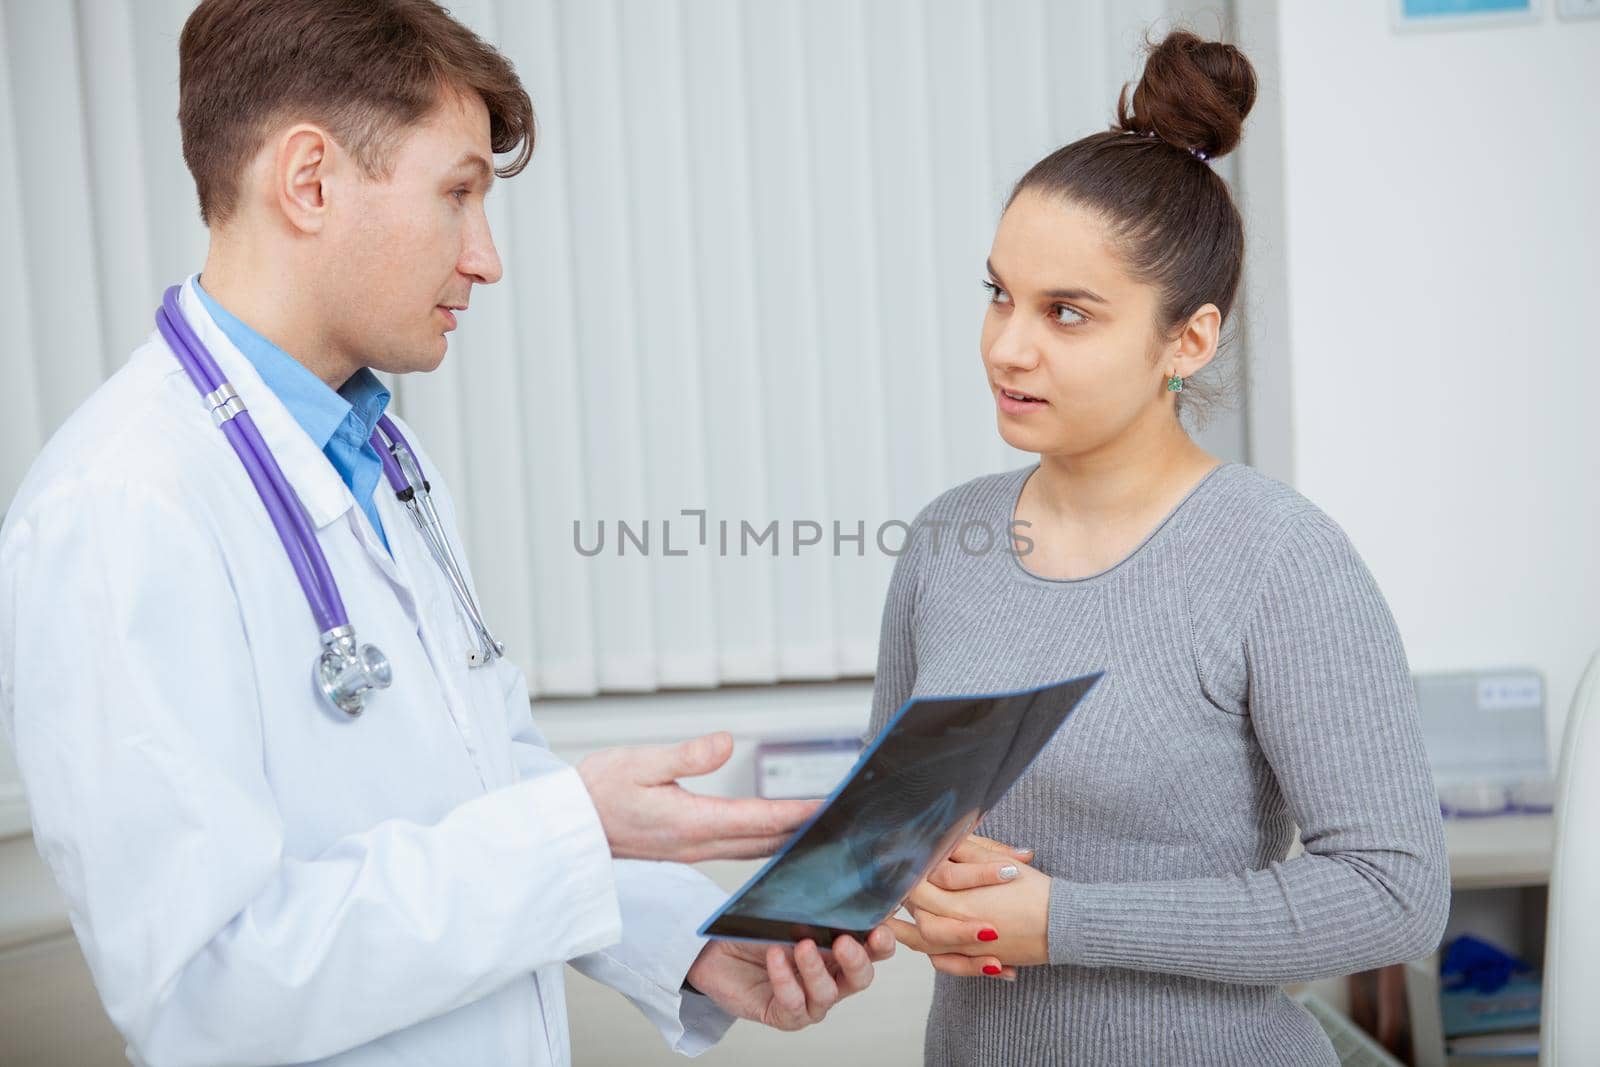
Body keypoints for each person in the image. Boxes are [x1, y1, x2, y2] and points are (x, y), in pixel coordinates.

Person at [0, 2, 893, 1064]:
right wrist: (572, 822)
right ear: (309, 180)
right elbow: (209, 989)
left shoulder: (377, 454)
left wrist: (689, 942)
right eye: (457, 194)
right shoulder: (122, 503)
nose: (485, 259)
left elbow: (479, 788)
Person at [868, 30, 1451, 1065]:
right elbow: (891, 820)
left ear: (1186, 340)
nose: (1008, 344)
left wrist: (1065, 921)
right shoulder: (944, 542)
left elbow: (1393, 894)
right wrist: (905, 867)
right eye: (999, 292)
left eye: (1067, 313)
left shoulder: (1278, 559)